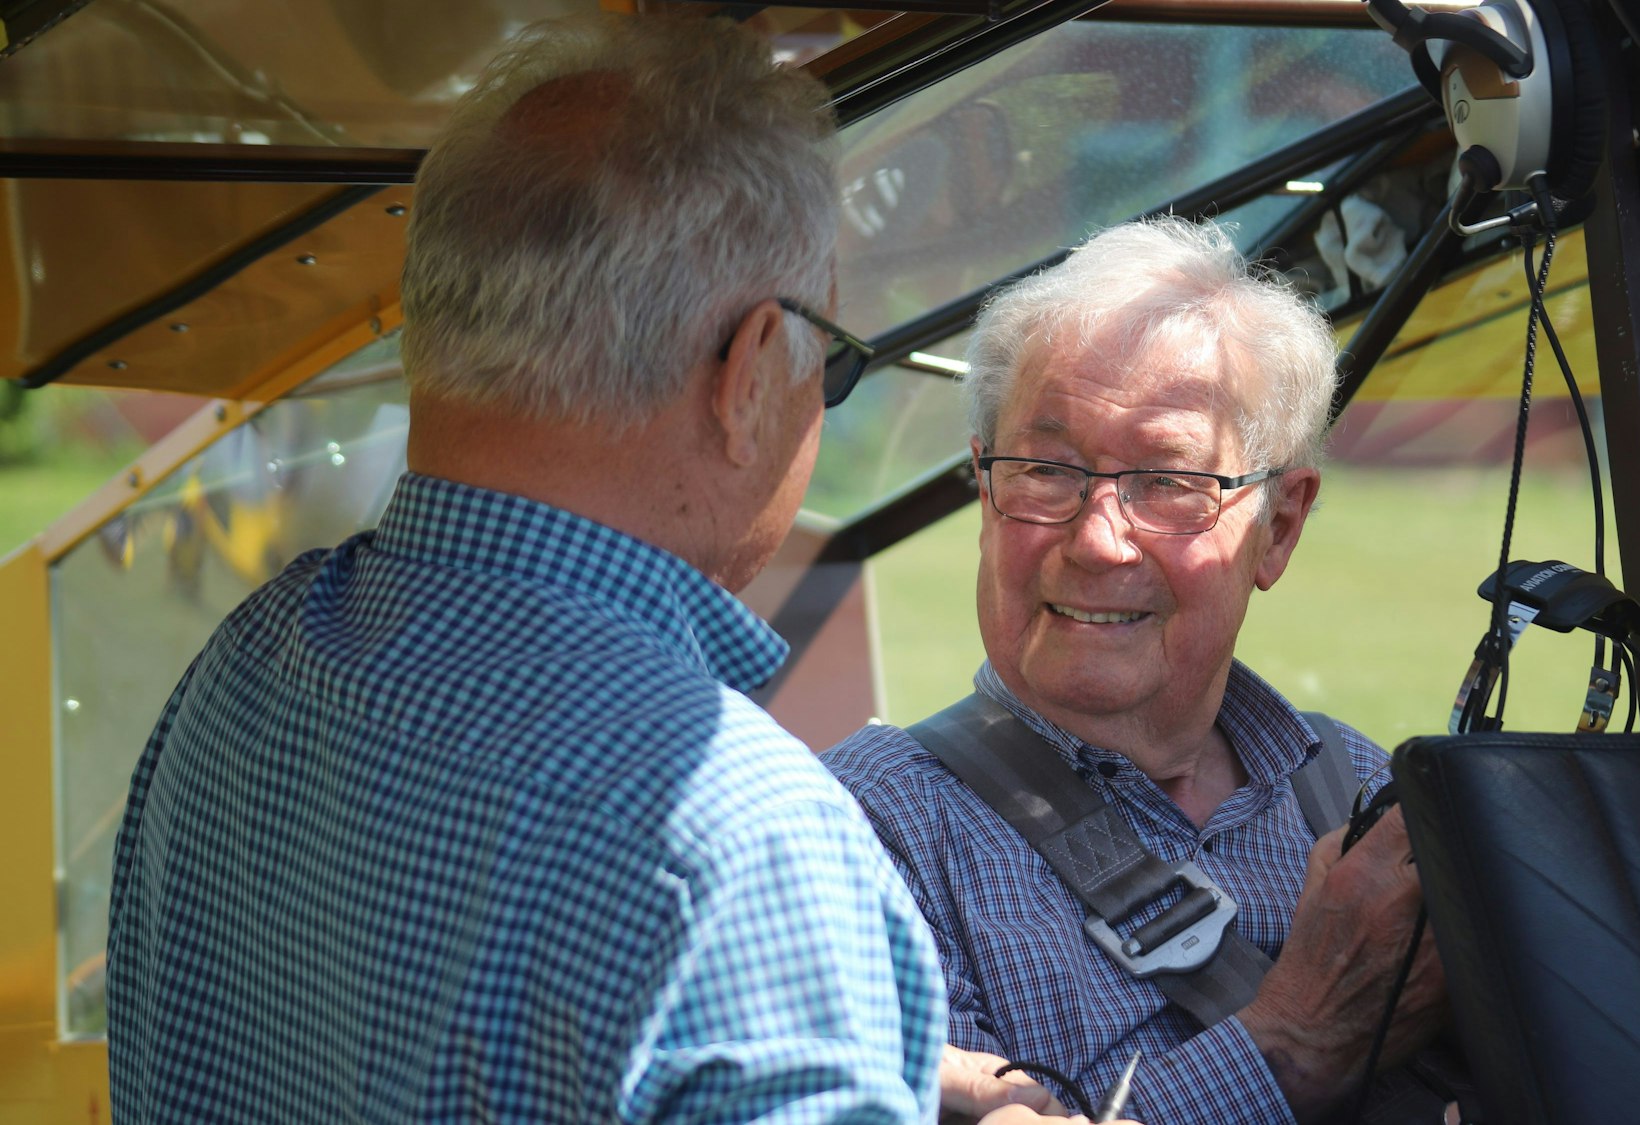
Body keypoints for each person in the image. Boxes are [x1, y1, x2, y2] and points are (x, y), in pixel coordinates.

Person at [102, 14, 1074, 1124]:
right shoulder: (745, 846)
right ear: (751, 370)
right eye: (832, 363)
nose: (818, 394)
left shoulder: (246, 664)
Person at [823, 217, 1451, 1124]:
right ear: (984, 488)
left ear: (1279, 526)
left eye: (1166, 481)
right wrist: (1293, 1038)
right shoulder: (873, 831)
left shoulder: (1363, 789)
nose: (1095, 539)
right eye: (1045, 468)